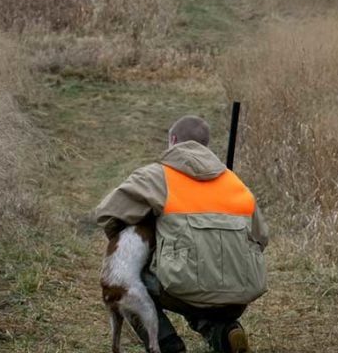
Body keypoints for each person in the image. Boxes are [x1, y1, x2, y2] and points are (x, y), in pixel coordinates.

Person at [95, 115, 269, 353]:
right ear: (205, 145)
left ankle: (166, 345)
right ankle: (224, 332)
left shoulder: (156, 176)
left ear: (173, 140)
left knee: (131, 277)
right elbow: (261, 238)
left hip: (184, 290)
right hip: (239, 297)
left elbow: (107, 215)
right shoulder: (236, 182)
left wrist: (153, 239)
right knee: (194, 282)